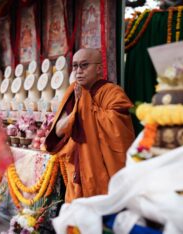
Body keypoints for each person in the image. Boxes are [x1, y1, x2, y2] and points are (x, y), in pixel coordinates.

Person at [45, 48, 135, 202]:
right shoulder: (73, 92)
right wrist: (78, 109)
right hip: (78, 170)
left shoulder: (113, 93)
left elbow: (120, 134)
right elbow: (58, 131)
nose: (78, 71)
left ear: (99, 68)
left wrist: (85, 106)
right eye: (75, 66)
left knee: (103, 212)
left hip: (105, 170)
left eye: (84, 65)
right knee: (77, 217)